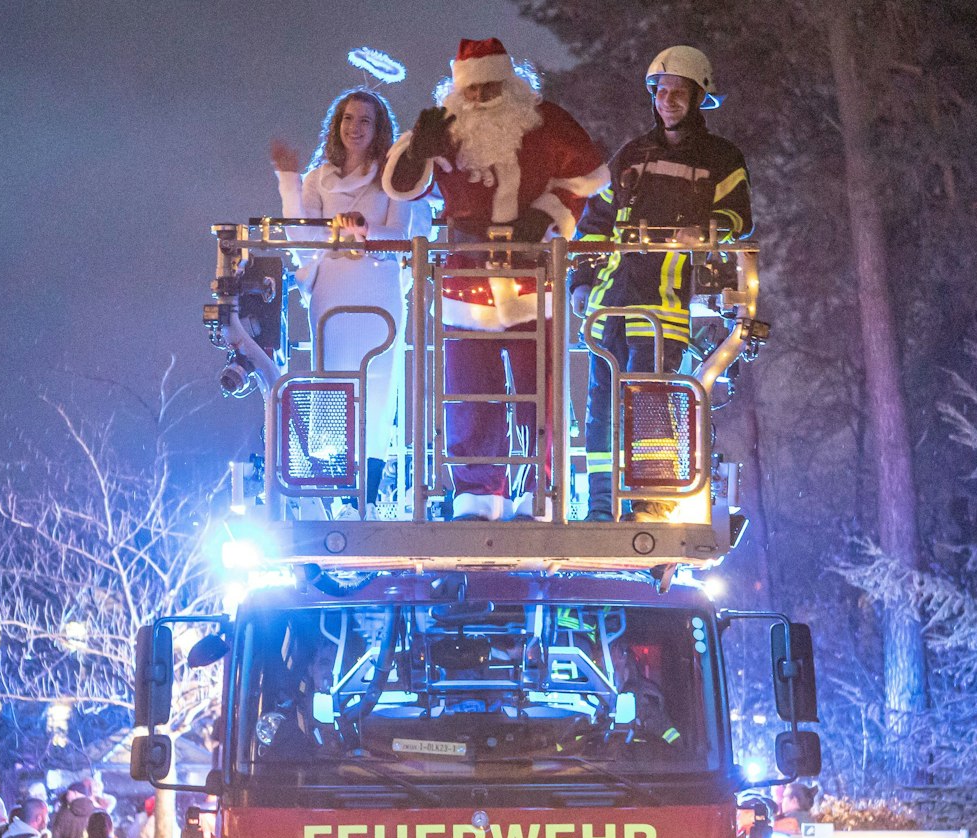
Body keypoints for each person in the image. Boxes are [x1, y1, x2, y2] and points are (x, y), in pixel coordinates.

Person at [384, 37, 606, 521]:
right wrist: (418, 149)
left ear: (509, 82)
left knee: (538, 389)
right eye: (474, 90)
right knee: (468, 388)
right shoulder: (441, 125)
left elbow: (590, 176)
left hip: (531, 270)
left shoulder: (545, 121)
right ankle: (478, 490)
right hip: (466, 271)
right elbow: (402, 186)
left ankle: (537, 490)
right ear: (460, 90)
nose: (482, 98)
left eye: (491, 87)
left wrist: (547, 215)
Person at [569, 46, 754, 520]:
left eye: (678, 93)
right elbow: (594, 221)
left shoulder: (721, 158)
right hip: (612, 299)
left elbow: (738, 216)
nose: (667, 101)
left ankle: (647, 504)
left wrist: (706, 228)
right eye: (661, 92)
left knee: (649, 401)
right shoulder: (631, 155)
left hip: (665, 300)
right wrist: (581, 281)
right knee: (602, 409)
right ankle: (601, 506)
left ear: (698, 97)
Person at [272, 87, 427, 512]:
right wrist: (288, 180)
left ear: (378, 130)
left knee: (377, 388)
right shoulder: (319, 178)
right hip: (332, 290)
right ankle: (335, 492)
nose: (354, 128)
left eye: (364, 121)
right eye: (348, 119)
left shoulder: (394, 178)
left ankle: (369, 497)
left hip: (378, 289)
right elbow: (302, 240)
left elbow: (403, 237)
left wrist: (363, 231)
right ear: (336, 125)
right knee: (333, 385)